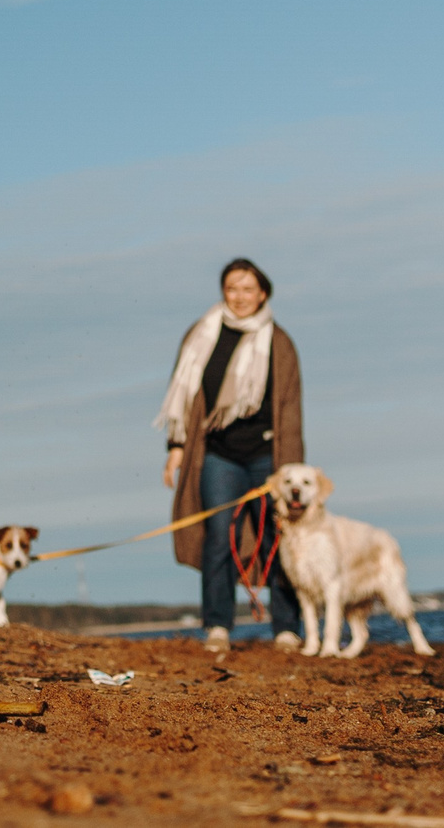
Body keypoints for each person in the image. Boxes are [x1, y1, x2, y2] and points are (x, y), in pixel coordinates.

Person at [155, 256, 304, 655]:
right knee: (218, 538)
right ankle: (218, 625)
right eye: (232, 288)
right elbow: (183, 396)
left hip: (267, 456)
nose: (239, 297)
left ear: (263, 293)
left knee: (277, 538)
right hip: (217, 455)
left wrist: (289, 469)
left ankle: (287, 627)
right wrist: (176, 448)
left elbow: (290, 407)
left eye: (247, 289)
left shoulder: (280, 342)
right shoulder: (201, 334)